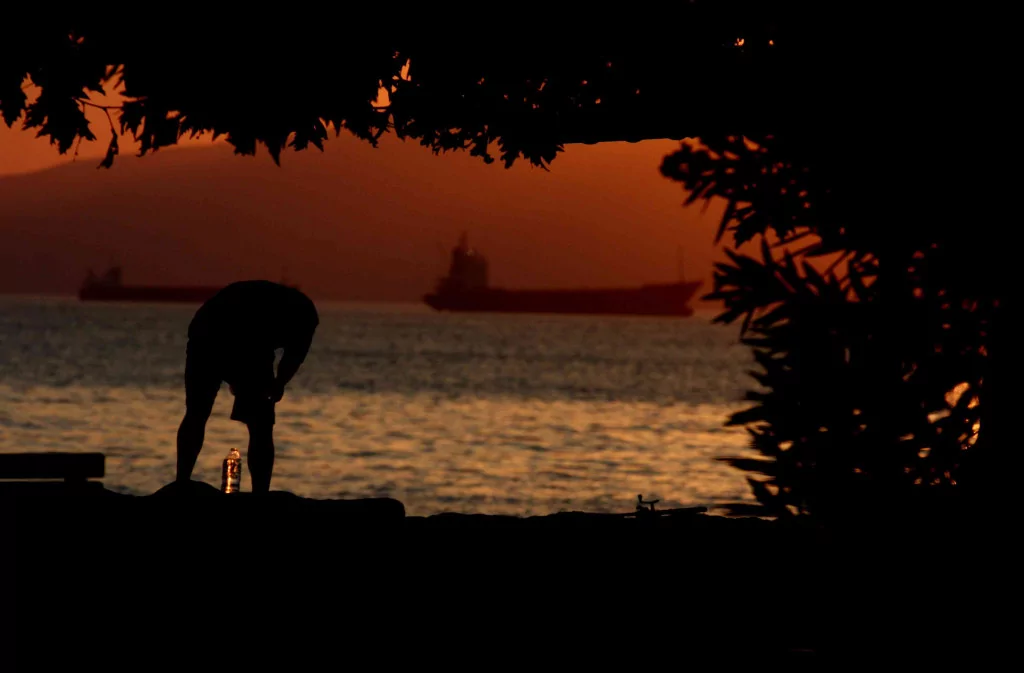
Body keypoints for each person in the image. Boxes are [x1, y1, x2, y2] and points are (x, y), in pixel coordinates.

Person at [176, 280, 319, 493]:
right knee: (260, 423)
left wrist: (275, 383)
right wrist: (275, 385)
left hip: (207, 328)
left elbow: (290, 359)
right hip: (220, 329)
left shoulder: (289, 310)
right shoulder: (301, 319)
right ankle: (259, 494)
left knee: (197, 412)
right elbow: (293, 358)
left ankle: (182, 482)